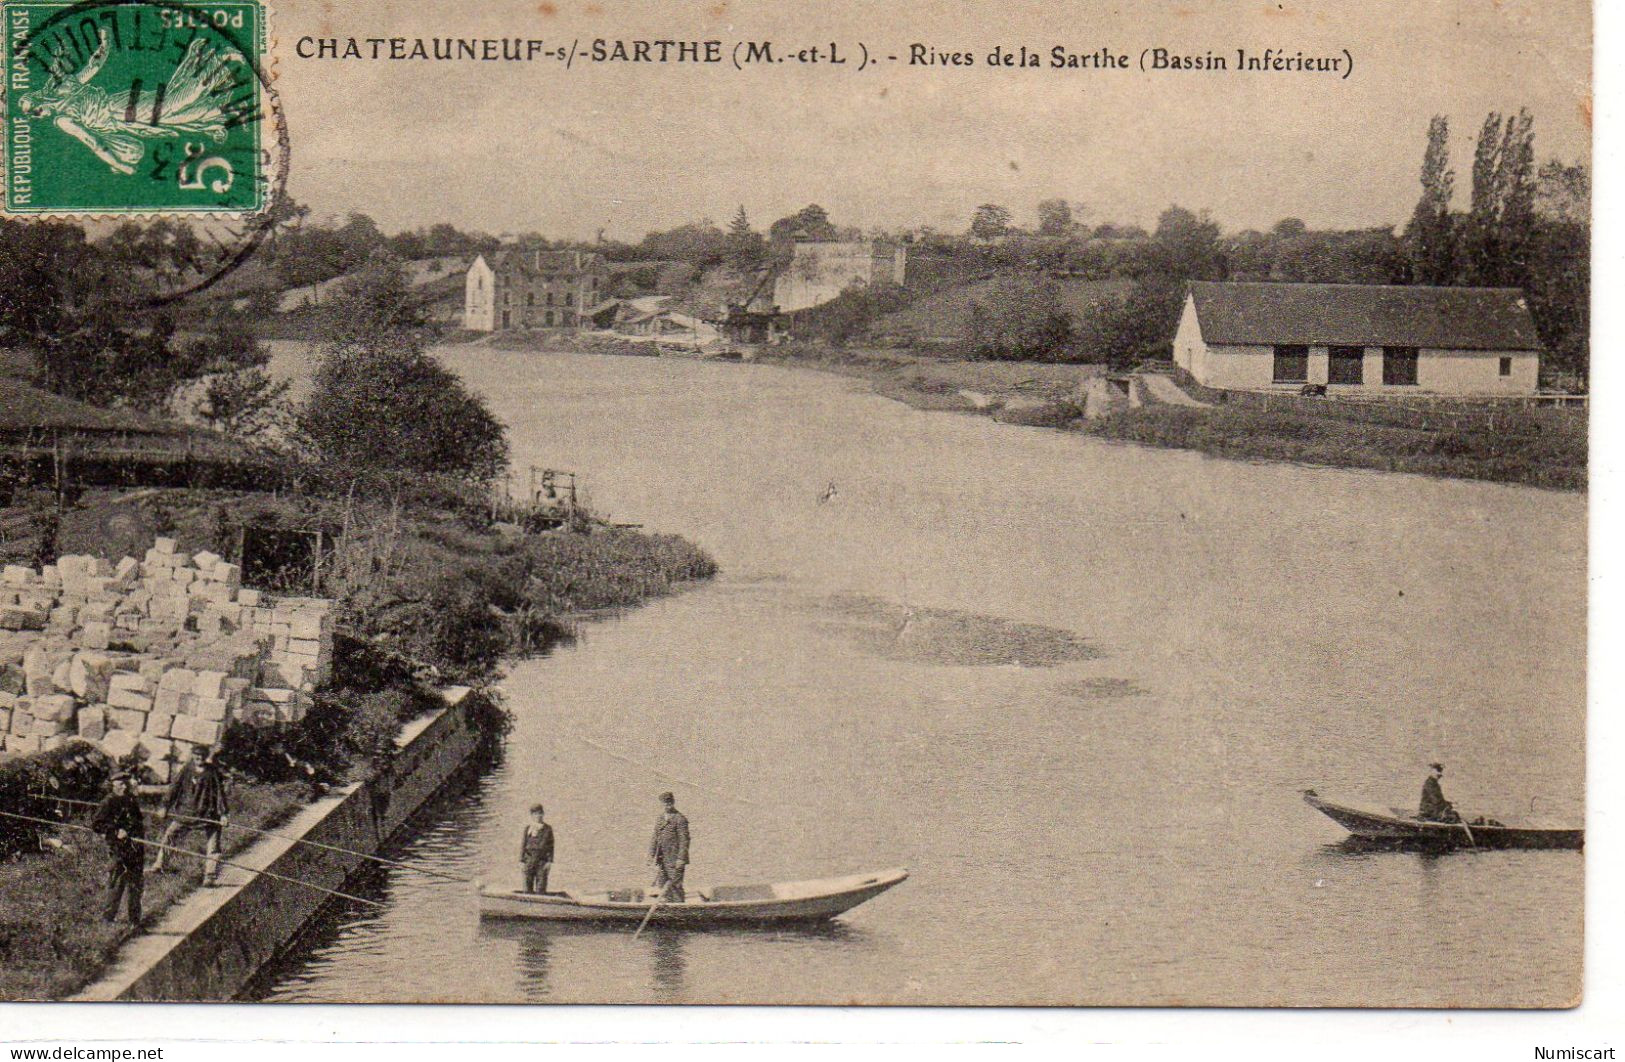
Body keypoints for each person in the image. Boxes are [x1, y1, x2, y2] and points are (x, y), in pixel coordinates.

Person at [151, 744, 230, 884]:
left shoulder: (212, 772)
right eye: (195, 756)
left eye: (201, 756)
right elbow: (174, 788)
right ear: (192, 756)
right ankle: (160, 865)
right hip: (186, 813)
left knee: (214, 844)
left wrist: (223, 814)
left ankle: (210, 876)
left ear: (205, 757)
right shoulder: (186, 770)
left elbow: (219, 794)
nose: (198, 758)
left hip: (207, 814)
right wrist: (164, 806)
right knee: (170, 836)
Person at [91, 771, 145, 924]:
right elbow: (97, 824)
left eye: (126, 783)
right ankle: (108, 918)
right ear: (113, 786)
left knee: (136, 884)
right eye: (121, 784)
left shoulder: (131, 800)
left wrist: (136, 835)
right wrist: (116, 831)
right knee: (117, 882)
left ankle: (135, 921)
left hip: (135, 848)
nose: (125, 787)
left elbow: (137, 821)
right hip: (118, 849)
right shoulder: (108, 802)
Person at [648, 791, 690, 902]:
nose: (667, 805)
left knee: (675, 886)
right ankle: (667, 910)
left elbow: (684, 840)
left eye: (669, 802)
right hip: (662, 860)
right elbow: (655, 838)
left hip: (675, 860)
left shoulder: (680, 819)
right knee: (662, 885)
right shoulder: (660, 819)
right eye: (665, 803)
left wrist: (681, 859)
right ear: (661, 804)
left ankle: (679, 910)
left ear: (673, 802)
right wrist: (651, 856)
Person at [520, 803, 555, 894]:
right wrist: (521, 861)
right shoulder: (528, 828)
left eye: (540, 813)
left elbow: (551, 846)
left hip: (542, 862)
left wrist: (550, 861)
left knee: (541, 888)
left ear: (543, 814)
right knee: (527, 888)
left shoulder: (547, 829)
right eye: (535, 814)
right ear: (532, 816)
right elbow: (523, 845)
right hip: (529, 860)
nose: (538, 816)